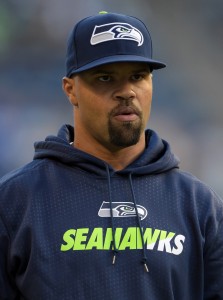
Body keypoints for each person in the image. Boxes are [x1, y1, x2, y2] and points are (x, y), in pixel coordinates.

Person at [0, 11, 222, 300]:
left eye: (138, 76)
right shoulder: (16, 201)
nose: (127, 91)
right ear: (70, 90)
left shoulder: (200, 206)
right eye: (105, 78)